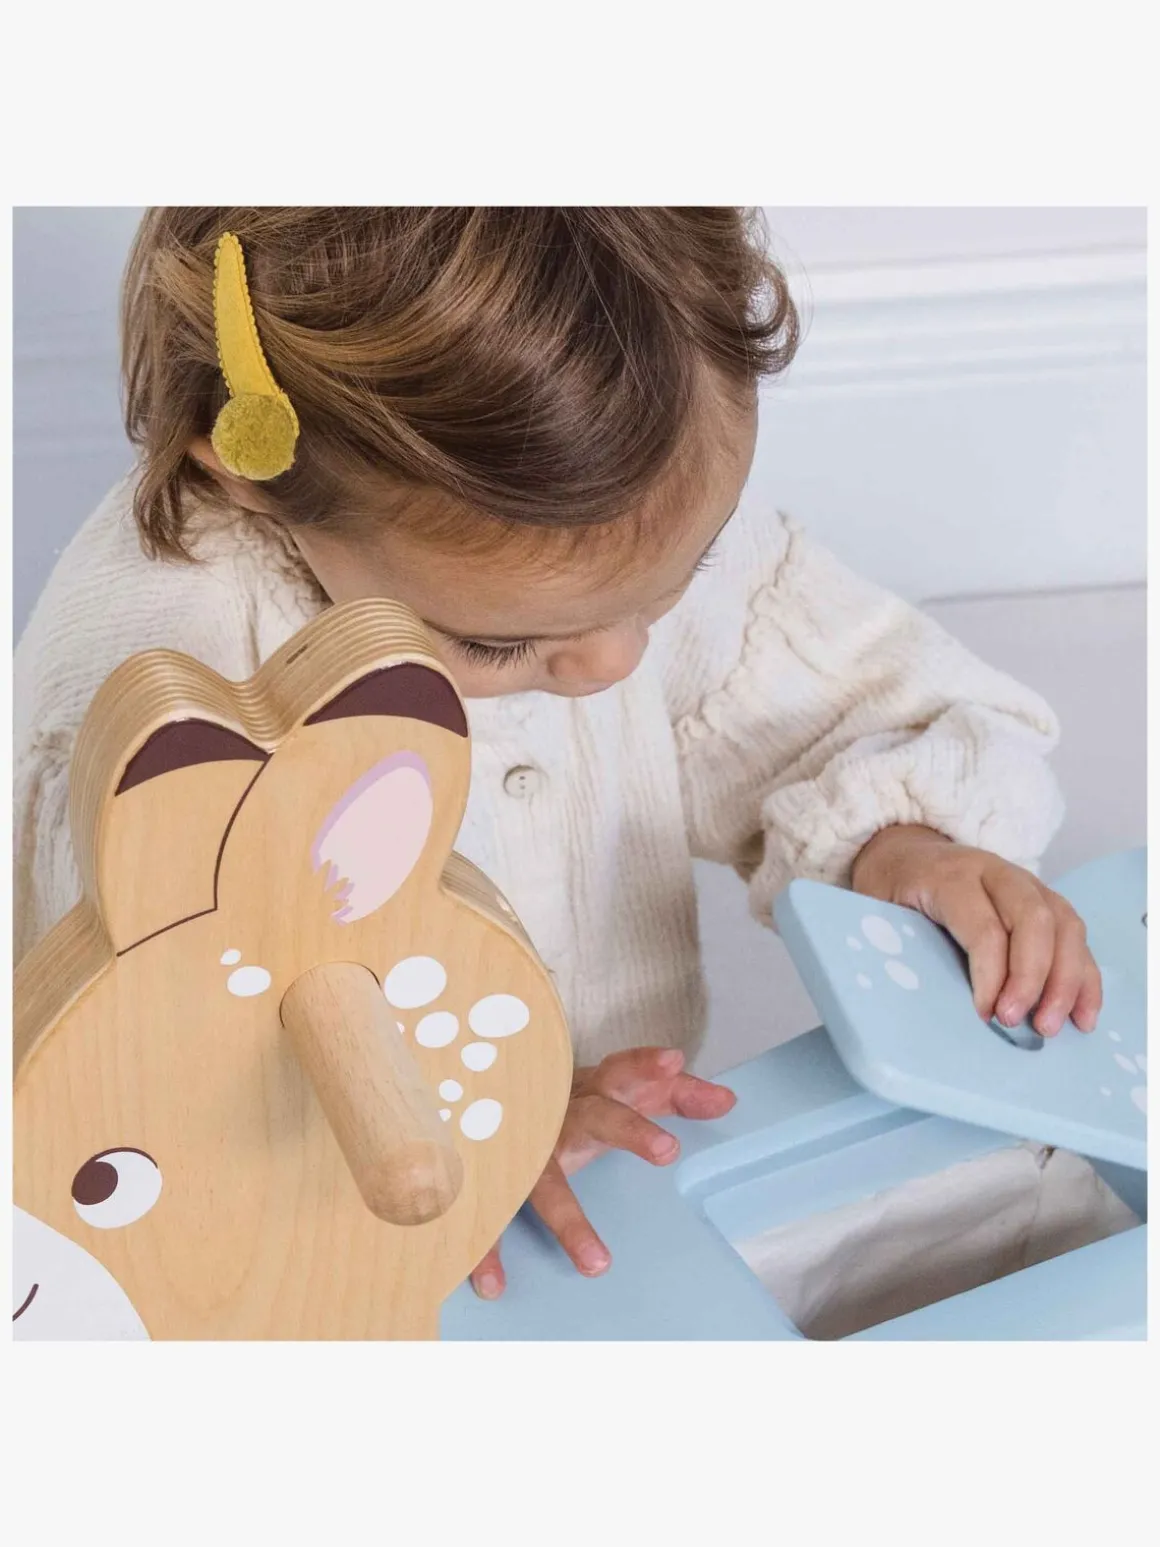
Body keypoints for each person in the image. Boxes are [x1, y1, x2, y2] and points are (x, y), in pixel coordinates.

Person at [13, 207, 1100, 1301]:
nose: (615, 663)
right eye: (497, 644)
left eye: (676, 581)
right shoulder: (163, 696)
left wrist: (905, 839)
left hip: (607, 1172)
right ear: (252, 473)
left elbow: (823, 700)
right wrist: (474, 1120)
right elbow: (145, 1083)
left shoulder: (612, 517)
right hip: (317, 1249)